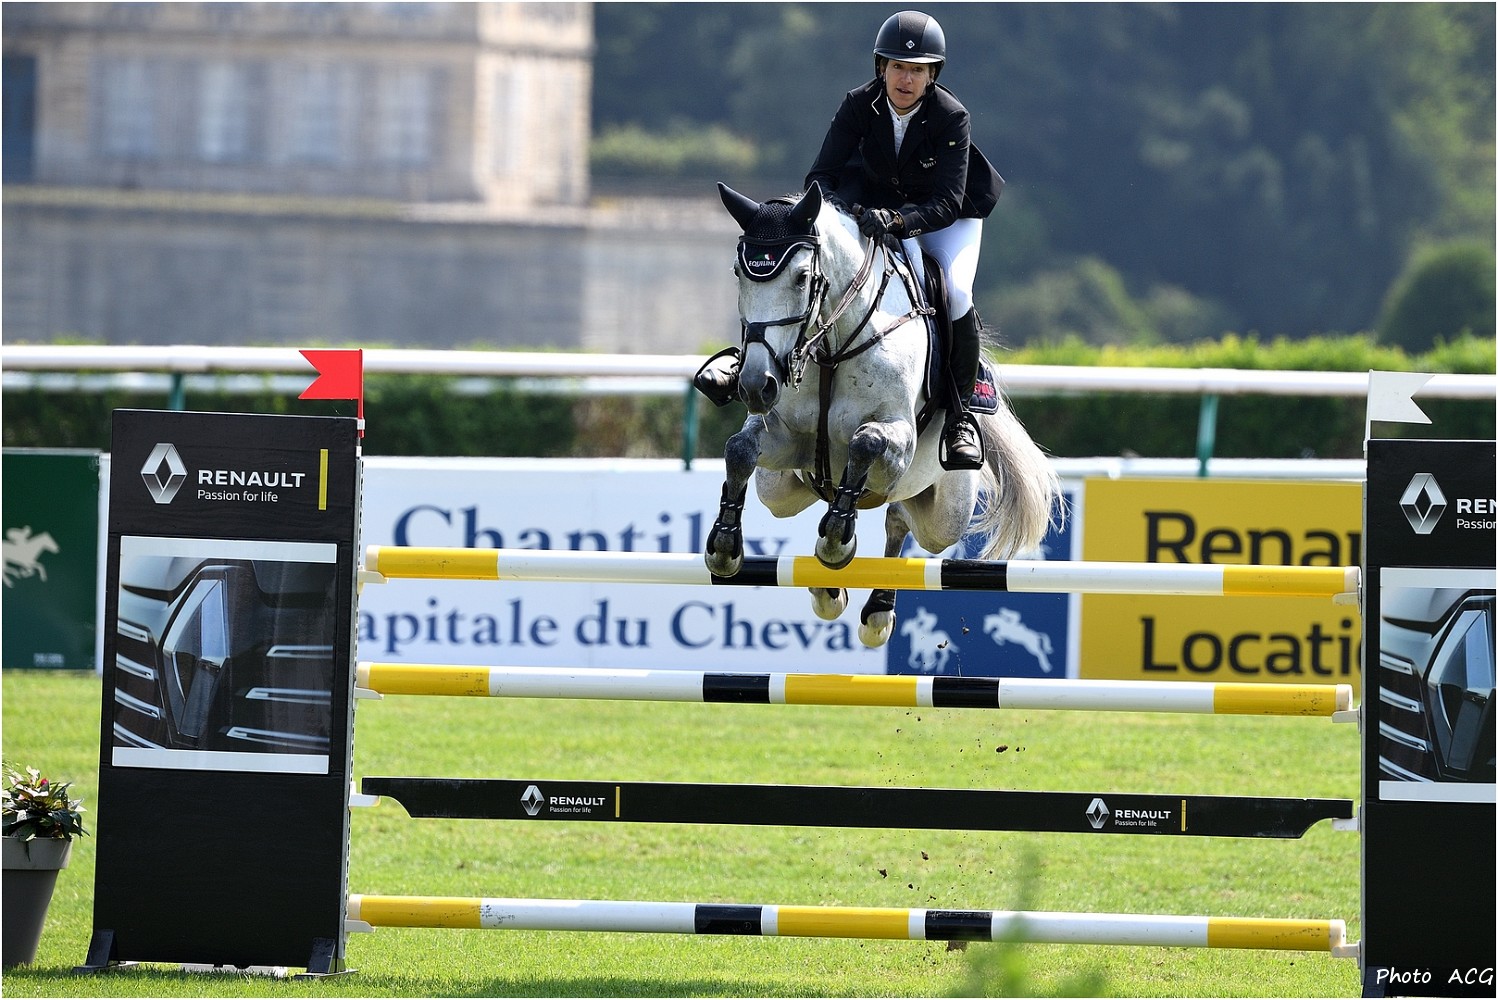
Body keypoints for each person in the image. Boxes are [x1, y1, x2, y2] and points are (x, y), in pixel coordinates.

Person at [697, 10, 1003, 471]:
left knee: (956, 291)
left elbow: (945, 202)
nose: (905, 79)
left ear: (931, 75)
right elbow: (821, 176)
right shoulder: (859, 105)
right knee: (806, 270)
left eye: (917, 70)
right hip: (873, 208)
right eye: (898, 67)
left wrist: (896, 221)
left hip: (946, 217)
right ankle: (747, 360)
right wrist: (845, 214)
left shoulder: (950, 116)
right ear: (882, 67)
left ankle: (961, 417)